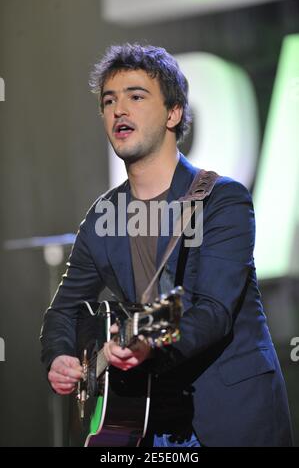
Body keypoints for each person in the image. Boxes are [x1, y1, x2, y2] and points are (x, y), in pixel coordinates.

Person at [40, 43, 293, 447]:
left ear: (174, 113)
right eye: (109, 101)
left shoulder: (221, 200)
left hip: (231, 415)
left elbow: (213, 312)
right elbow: (63, 311)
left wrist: (149, 344)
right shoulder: (102, 217)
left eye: (136, 97)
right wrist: (60, 358)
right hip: (144, 422)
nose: (119, 110)